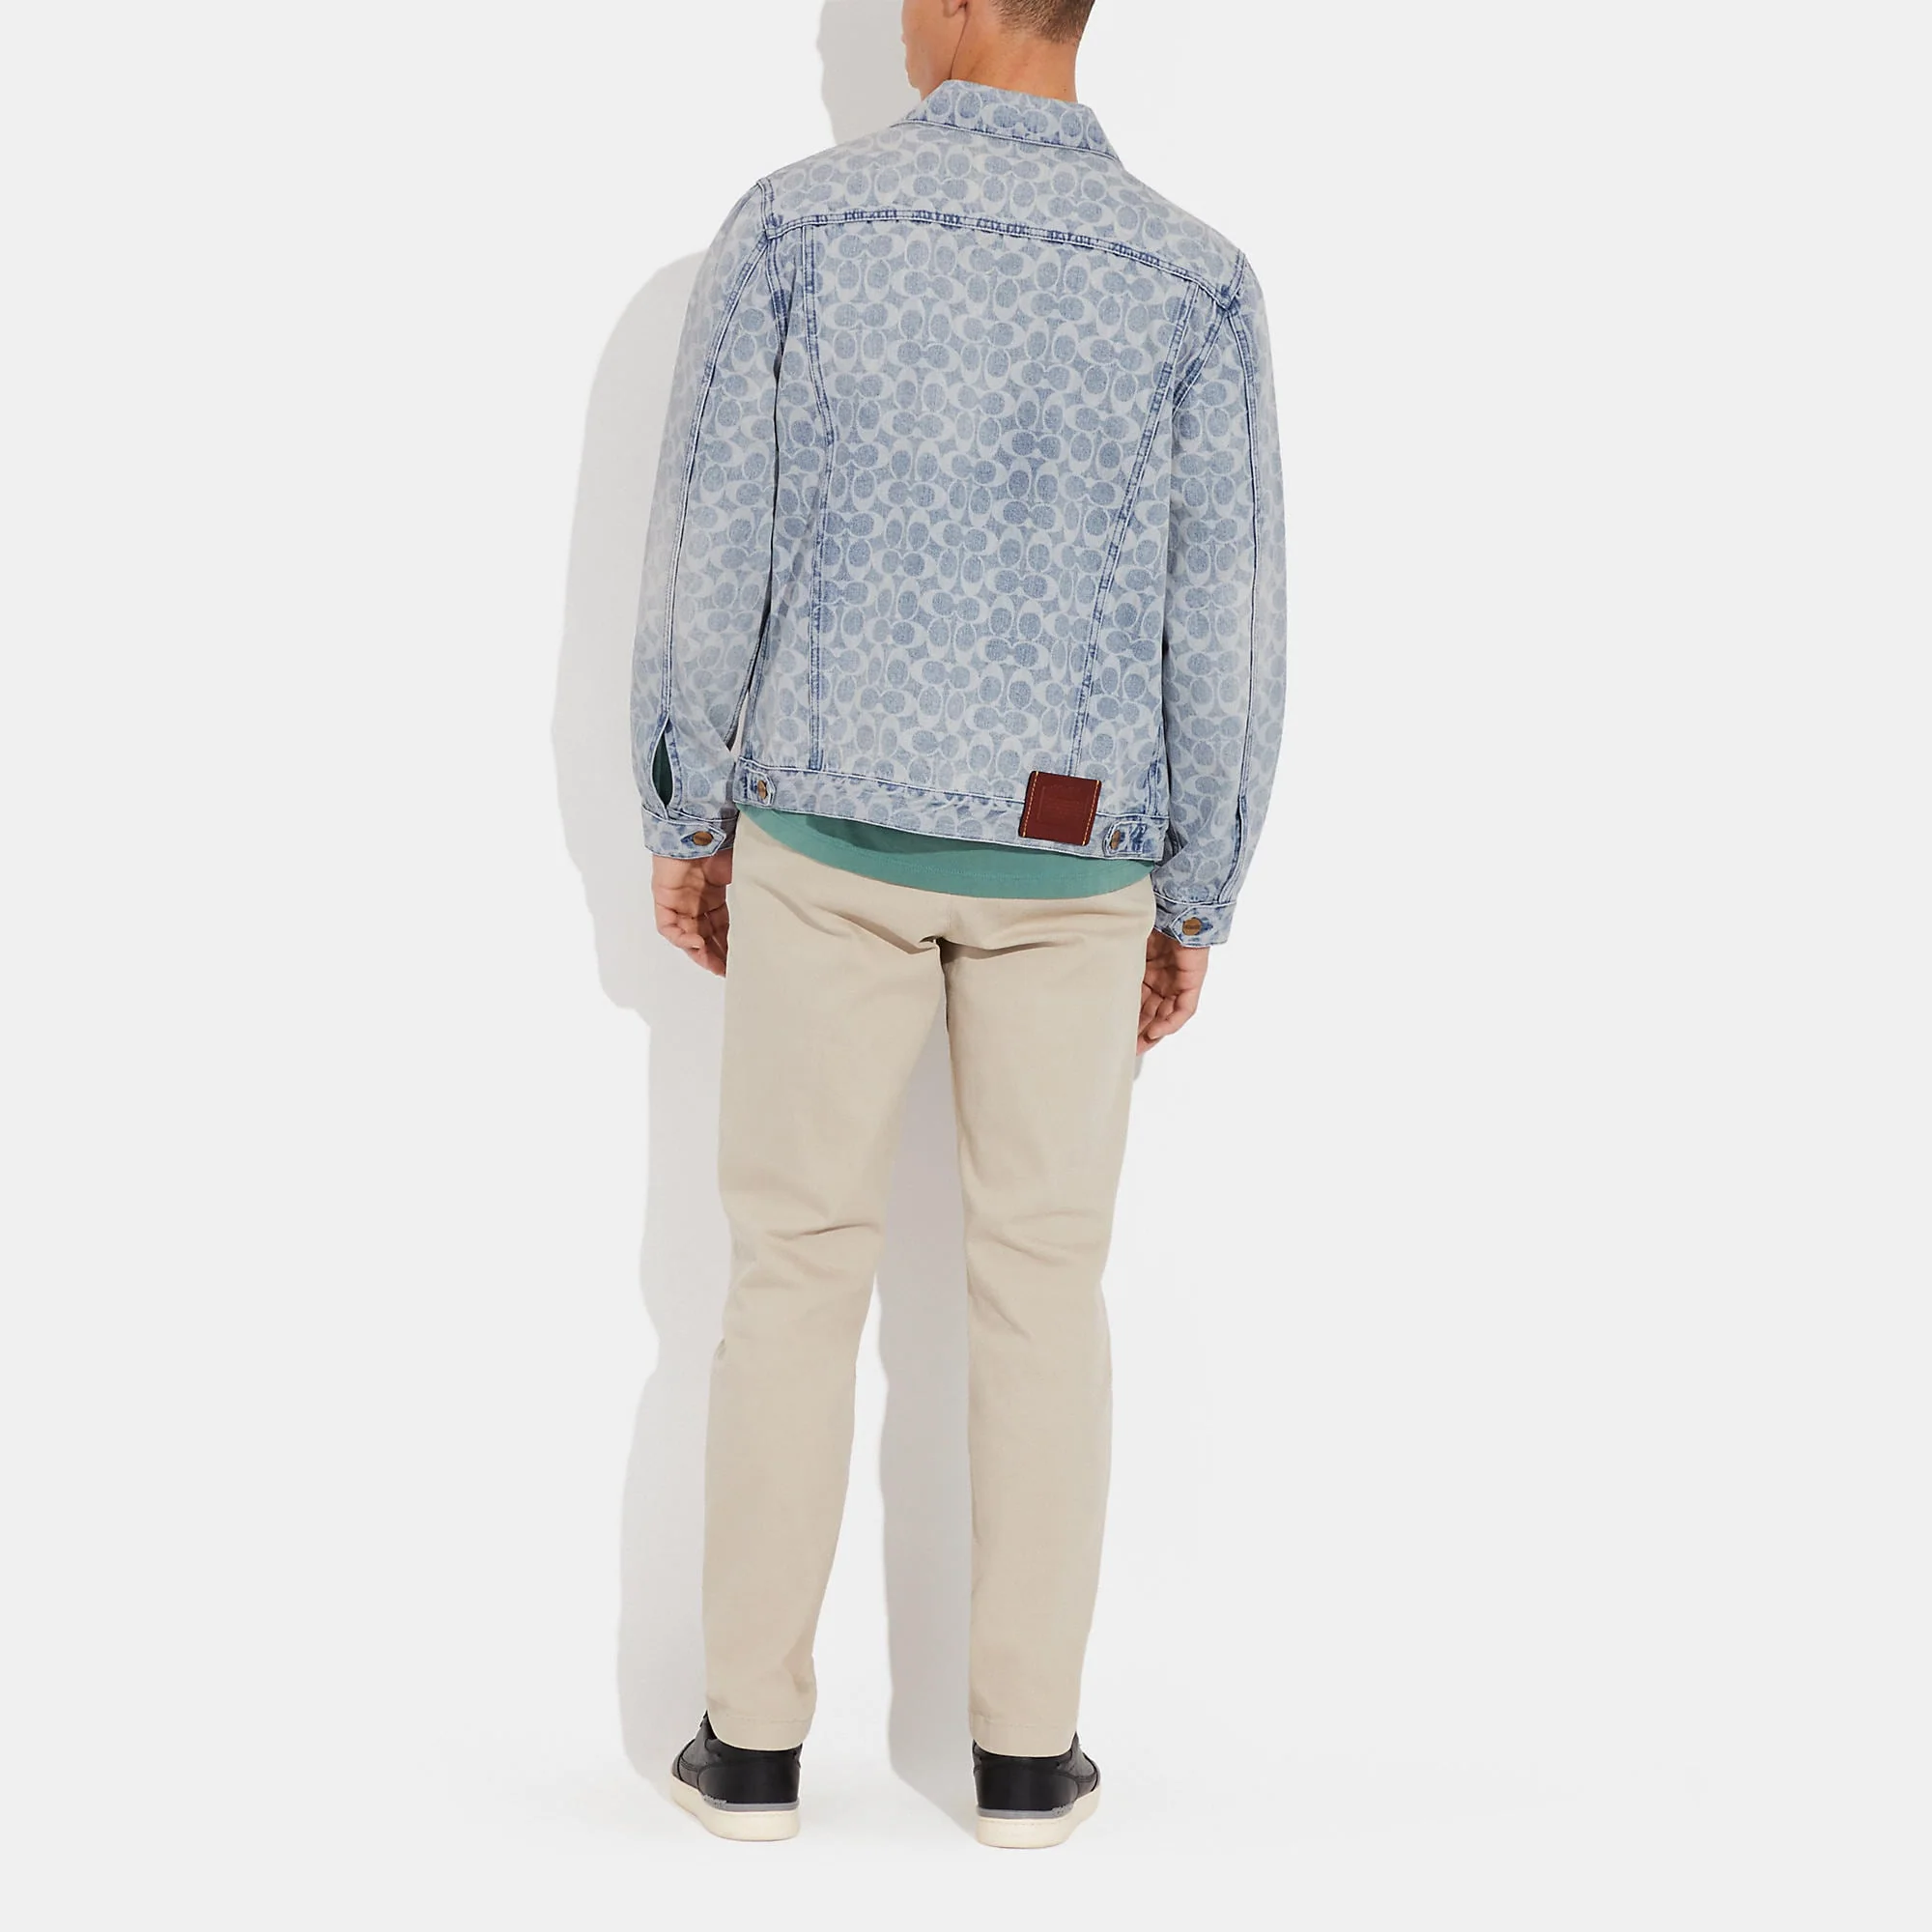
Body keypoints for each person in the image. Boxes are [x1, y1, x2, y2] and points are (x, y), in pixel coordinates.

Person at [631, 0, 1284, 1848]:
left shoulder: (796, 226)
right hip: (1075, 863)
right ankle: (1023, 1760)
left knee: (790, 1277)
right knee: (1043, 1293)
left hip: (825, 834)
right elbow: (1228, 615)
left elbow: (712, 540)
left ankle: (751, 1749)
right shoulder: (1194, 283)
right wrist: (1199, 886)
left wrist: (686, 809)